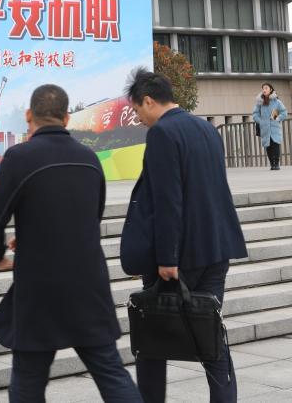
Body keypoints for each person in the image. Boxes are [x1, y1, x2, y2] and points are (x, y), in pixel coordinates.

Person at [0, 84, 140, 403]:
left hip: (40, 286)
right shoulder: (89, 158)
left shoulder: (19, 157)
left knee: (28, 378)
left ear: (29, 115)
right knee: (110, 372)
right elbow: (91, 215)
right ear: (66, 118)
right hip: (88, 282)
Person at [120, 68, 246, 403]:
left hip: (181, 256)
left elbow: (168, 200)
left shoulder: (162, 133)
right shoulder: (205, 128)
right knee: (210, 334)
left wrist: (167, 258)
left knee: (150, 338)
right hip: (216, 248)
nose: (138, 118)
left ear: (149, 101)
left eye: (137, 109)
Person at [251, 82, 286, 170]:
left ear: (270, 90)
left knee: (275, 145)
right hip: (265, 128)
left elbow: (284, 112)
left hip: (275, 127)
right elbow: (255, 114)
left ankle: (276, 163)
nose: (264, 90)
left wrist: (277, 118)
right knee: (268, 146)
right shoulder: (260, 102)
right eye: (263, 88)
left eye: (266, 88)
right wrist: (260, 121)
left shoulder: (277, 101)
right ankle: (272, 164)